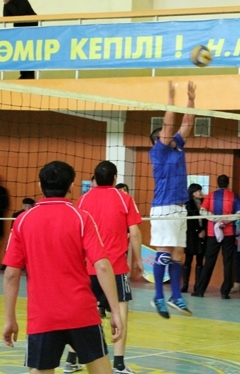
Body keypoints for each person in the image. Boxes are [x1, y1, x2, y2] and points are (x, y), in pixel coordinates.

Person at [2, 160, 122, 374]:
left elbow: (11, 274)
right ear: (71, 186)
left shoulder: (22, 220)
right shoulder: (81, 218)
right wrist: (115, 311)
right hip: (81, 313)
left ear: (40, 185)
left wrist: (10, 319)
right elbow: (103, 266)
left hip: (43, 317)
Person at [73, 160, 144, 374]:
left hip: (89, 267)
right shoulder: (124, 199)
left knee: (81, 314)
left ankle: (71, 359)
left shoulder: (83, 199)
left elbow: (76, 232)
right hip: (116, 268)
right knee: (120, 312)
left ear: (95, 178)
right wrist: (138, 260)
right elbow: (135, 233)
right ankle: (119, 364)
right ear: (115, 178)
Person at [148, 81, 196, 318]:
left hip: (179, 208)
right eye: (164, 136)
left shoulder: (177, 147)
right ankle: (158, 296)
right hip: (164, 207)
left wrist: (191, 100)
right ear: (158, 140)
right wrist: (170, 98)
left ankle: (176, 296)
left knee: (178, 254)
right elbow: (168, 125)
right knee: (165, 252)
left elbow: (187, 123)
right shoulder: (158, 150)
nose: (170, 136)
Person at [192, 175, 240, 299]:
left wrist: (215, 219)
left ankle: (200, 290)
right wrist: (226, 220)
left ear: (217, 183)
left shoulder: (210, 196)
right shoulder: (233, 196)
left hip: (212, 233)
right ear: (228, 184)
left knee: (209, 261)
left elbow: (202, 211)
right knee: (228, 262)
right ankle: (225, 292)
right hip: (229, 233)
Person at [3, 0, 38, 79]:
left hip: (30, 29)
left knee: (28, 52)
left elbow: (19, 14)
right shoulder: (10, 2)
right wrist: (5, 4)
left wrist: (8, 4)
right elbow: (6, 17)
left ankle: (29, 76)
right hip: (20, 30)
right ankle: (24, 75)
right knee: (21, 53)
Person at [182, 183, 207, 293]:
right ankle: (185, 284)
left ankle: (198, 285)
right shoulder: (188, 204)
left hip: (202, 235)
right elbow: (190, 221)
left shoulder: (205, 203)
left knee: (200, 261)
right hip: (191, 235)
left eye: (200, 190)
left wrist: (204, 230)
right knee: (188, 260)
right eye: (198, 191)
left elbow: (207, 218)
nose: (200, 193)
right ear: (192, 193)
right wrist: (198, 231)